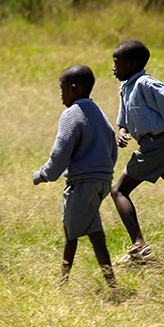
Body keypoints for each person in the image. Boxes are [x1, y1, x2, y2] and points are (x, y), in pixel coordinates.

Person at [33, 65, 118, 289]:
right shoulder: (99, 112)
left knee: (71, 231)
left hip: (82, 183)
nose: (61, 94)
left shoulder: (71, 114)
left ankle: (63, 280)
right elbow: (112, 143)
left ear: (74, 88)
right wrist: (105, 172)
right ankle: (111, 283)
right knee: (94, 232)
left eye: (62, 89)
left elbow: (61, 151)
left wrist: (43, 175)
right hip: (102, 181)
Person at [110, 39, 164, 264]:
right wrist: (122, 131)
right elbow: (124, 120)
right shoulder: (126, 87)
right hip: (157, 146)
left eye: (116, 63)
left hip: (160, 144)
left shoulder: (145, 83)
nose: (113, 68)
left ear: (131, 65)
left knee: (118, 191)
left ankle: (140, 248)